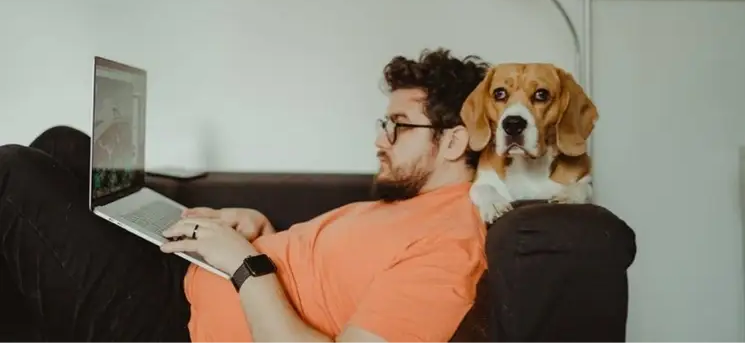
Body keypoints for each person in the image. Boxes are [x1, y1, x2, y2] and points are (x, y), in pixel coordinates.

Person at [0, 48, 490, 343]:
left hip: (176, 325)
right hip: (197, 275)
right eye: (384, 123)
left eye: (398, 127)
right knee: (65, 145)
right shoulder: (407, 201)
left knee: (13, 171)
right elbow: (322, 281)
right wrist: (259, 233)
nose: (380, 139)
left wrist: (244, 265)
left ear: (453, 140)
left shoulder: (449, 248)